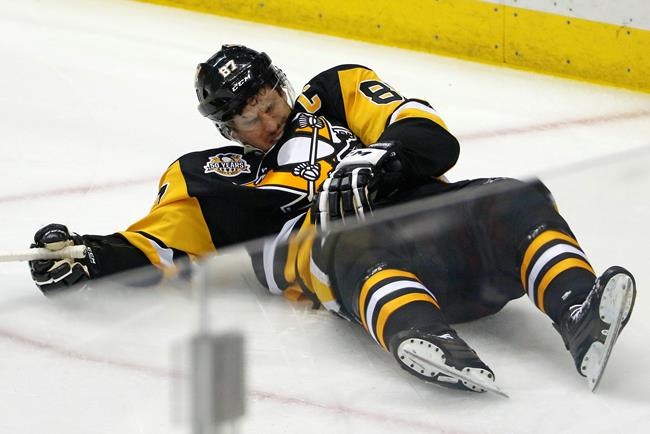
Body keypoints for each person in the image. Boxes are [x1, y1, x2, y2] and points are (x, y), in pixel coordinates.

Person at [29, 44, 636, 393]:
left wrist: (382, 160)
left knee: (512, 196)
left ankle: (578, 310)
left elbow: (430, 136)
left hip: (443, 243)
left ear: (281, 85)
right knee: (342, 239)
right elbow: (156, 245)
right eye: (250, 120)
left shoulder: (338, 94)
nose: (269, 122)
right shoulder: (211, 177)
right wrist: (87, 255)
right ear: (227, 129)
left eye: (271, 104)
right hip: (347, 264)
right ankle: (421, 335)